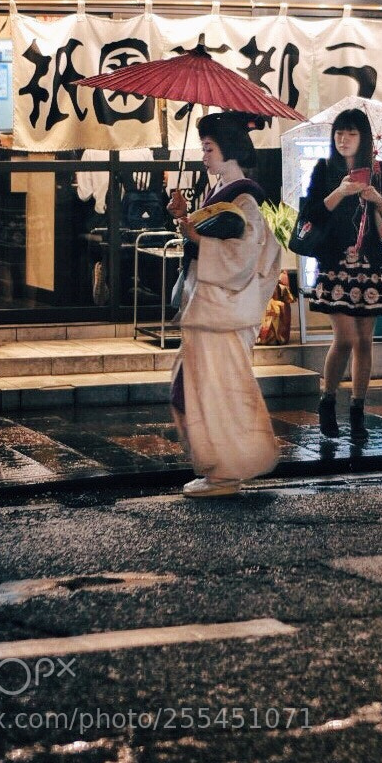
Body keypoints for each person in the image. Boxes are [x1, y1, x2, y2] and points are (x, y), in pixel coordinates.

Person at [167, 112, 282, 497]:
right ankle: (219, 467)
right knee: (196, 390)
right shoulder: (224, 191)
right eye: (203, 147)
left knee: (213, 392)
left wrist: (195, 235)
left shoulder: (245, 196)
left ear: (228, 149)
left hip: (221, 310)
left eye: (209, 147)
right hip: (208, 307)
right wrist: (184, 218)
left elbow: (244, 256)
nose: (204, 154)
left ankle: (225, 473)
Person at [303, 107, 382, 440]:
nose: (343, 139)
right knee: (345, 338)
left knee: (365, 342)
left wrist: (378, 199)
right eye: (339, 133)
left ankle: (358, 410)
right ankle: (327, 401)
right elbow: (311, 213)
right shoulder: (324, 169)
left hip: (370, 263)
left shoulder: (380, 171)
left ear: (364, 138)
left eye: (351, 134)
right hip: (334, 264)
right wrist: (340, 192)